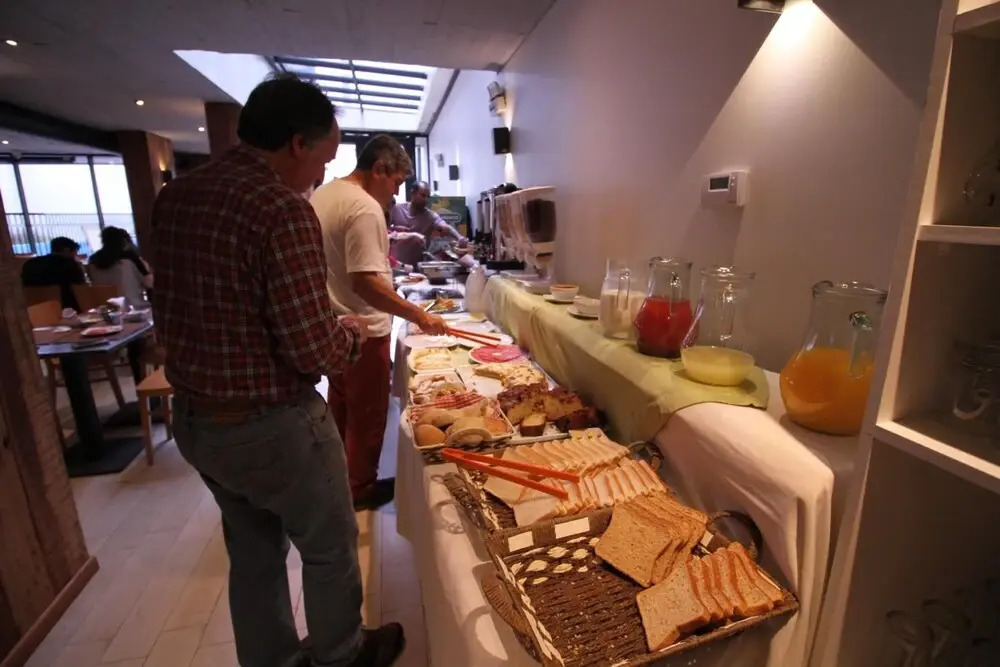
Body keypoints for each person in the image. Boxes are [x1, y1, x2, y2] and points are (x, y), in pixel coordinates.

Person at [151, 75, 403, 667]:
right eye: (323, 158)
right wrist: (349, 333)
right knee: (329, 544)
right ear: (296, 143)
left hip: (194, 419)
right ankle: (342, 654)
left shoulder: (176, 196)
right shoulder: (280, 207)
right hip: (270, 422)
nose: (323, 173)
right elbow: (312, 349)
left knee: (254, 553)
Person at [311, 136, 448, 511]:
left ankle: (338, 480)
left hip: (333, 325)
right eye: (397, 182)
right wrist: (419, 315)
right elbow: (365, 283)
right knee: (367, 417)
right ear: (380, 169)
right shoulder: (364, 206)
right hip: (365, 331)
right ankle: (360, 490)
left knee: (341, 408)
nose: (397, 193)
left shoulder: (324, 194)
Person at [388, 180, 467, 266]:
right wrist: (394, 229)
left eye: (428, 196)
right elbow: (384, 231)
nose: (425, 199)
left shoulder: (430, 216)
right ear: (413, 193)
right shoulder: (397, 209)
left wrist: (459, 237)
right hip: (396, 264)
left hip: (417, 265)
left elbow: (445, 227)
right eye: (422, 195)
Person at [87, 226, 153, 308]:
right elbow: (149, 283)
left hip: (104, 306)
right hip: (132, 306)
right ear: (123, 240)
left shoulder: (93, 260)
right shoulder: (129, 257)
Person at [20, 236, 87, 310]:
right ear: (66, 250)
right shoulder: (70, 265)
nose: (75, 256)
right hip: (67, 310)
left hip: (34, 310)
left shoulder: (30, 263)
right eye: (75, 252)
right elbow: (81, 289)